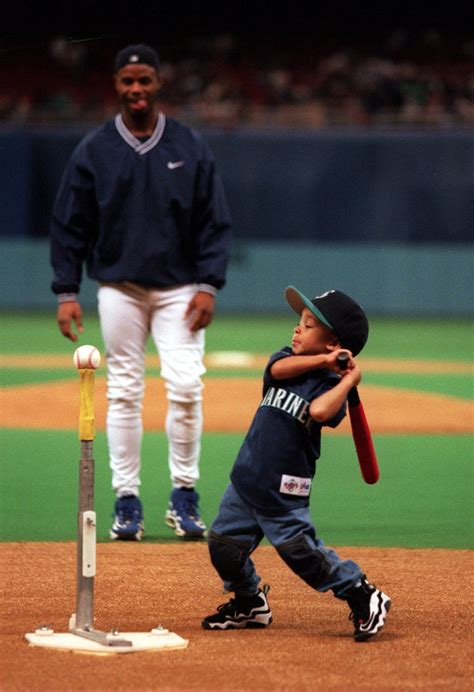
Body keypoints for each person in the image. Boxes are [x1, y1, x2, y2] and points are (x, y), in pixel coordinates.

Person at [50, 43, 232, 541]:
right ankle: (127, 500)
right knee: (124, 390)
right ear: (116, 85)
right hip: (120, 287)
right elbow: (69, 223)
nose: (136, 89)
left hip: (180, 290)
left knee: (188, 387)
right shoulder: (94, 149)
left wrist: (209, 284)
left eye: (144, 80)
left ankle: (184, 495)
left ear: (158, 83)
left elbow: (212, 221)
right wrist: (67, 289)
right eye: (127, 80)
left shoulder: (189, 145)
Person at [202, 286, 391, 641]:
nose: (297, 329)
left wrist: (348, 379)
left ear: (335, 343)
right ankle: (250, 602)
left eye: (308, 325)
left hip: (284, 489)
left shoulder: (330, 386)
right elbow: (276, 367)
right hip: (246, 481)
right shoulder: (286, 362)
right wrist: (322, 360)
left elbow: (320, 411)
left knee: (301, 554)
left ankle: (362, 592)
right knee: (224, 548)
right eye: (299, 322)